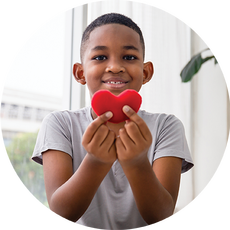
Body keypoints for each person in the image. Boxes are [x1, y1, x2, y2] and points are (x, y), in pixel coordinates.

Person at [32, 13, 193, 230]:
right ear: (80, 73)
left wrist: (137, 163)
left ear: (146, 72)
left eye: (129, 57)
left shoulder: (167, 127)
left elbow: (162, 216)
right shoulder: (60, 124)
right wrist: (95, 162)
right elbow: (60, 213)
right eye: (100, 57)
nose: (115, 67)